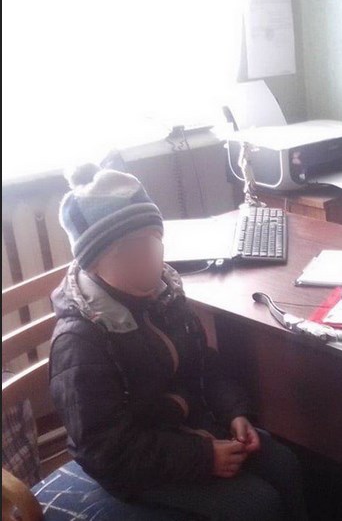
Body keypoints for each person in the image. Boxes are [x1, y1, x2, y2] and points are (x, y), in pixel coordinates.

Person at [49, 164, 308, 520]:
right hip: (136, 465)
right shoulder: (80, 341)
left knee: (284, 464)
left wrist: (234, 412)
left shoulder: (165, 297)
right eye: (128, 250)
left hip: (188, 430)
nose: (148, 258)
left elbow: (204, 365)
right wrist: (202, 458)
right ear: (93, 265)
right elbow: (104, 450)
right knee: (255, 504)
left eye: (152, 241)